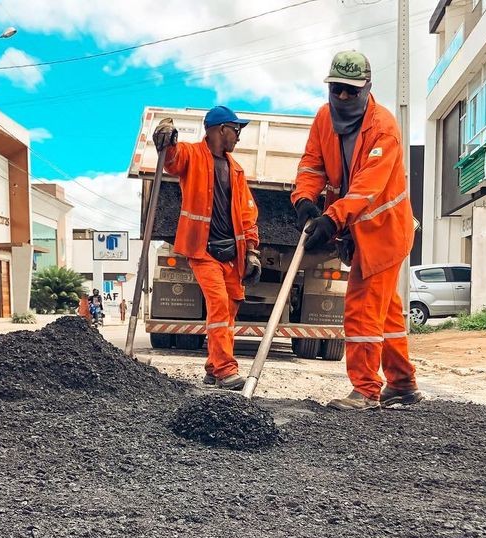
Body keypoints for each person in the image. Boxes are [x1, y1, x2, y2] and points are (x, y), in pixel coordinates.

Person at [292, 50, 420, 411]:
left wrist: (331, 218)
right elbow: (312, 164)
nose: (344, 97)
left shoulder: (384, 128)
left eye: (351, 91)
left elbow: (367, 187)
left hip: (383, 231)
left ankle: (365, 390)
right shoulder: (323, 118)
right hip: (355, 228)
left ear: (367, 88)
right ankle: (402, 383)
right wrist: (304, 200)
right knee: (387, 312)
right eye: (337, 90)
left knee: (362, 306)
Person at [152, 106, 261, 390]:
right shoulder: (192, 154)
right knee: (219, 306)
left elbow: (247, 213)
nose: (238, 136)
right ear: (220, 129)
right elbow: (172, 161)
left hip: (232, 253)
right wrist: (167, 137)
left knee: (232, 306)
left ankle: (213, 368)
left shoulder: (235, 169)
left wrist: (251, 250)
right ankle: (226, 370)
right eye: (236, 130)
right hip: (204, 250)